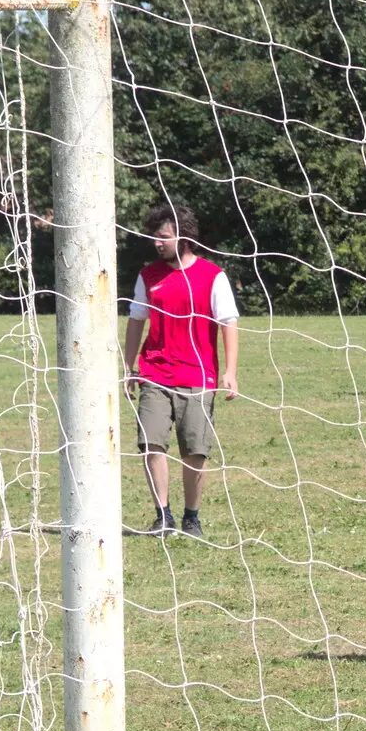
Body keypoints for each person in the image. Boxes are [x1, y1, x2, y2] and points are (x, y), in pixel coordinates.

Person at [123, 204, 239, 539]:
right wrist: (129, 366)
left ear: (183, 236)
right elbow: (136, 321)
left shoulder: (213, 276)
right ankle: (163, 515)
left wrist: (229, 371)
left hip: (197, 378)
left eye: (163, 237)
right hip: (155, 373)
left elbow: (229, 323)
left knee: (195, 451)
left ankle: (192, 517)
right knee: (151, 444)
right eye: (153, 237)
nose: (156, 243)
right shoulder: (148, 277)